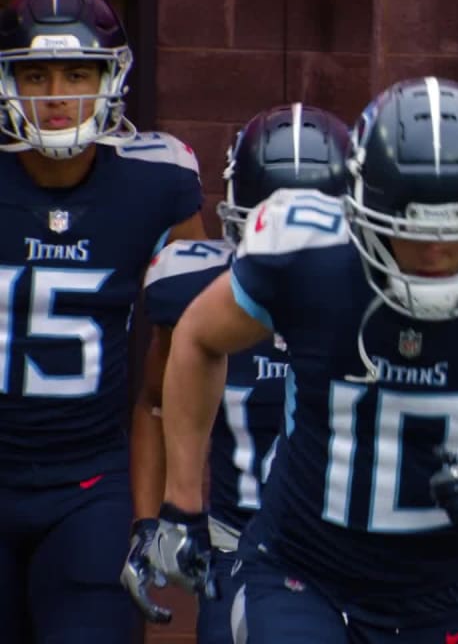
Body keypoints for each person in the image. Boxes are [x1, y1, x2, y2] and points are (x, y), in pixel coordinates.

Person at [147, 77, 458, 643]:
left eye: (457, 234)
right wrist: (181, 505)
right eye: (409, 232)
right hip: (300, 571)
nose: (434, 253)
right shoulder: (307, 255)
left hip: (440, 596)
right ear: (359, 210)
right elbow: (197, 337)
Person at [0, 0, 206, 642]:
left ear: (110, 79)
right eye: (36, 75)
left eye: (77, 73)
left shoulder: (158, 183)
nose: (57, 95)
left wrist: (161, 510)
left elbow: (181, 366)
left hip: (90, 483)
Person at [119, 103, 351, 640]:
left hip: (352, 550)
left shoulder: (389, 301)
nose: (291, 262)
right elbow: (155, 404)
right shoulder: (190, 289)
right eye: (274, 237)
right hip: (235, 547)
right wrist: (155, 523)